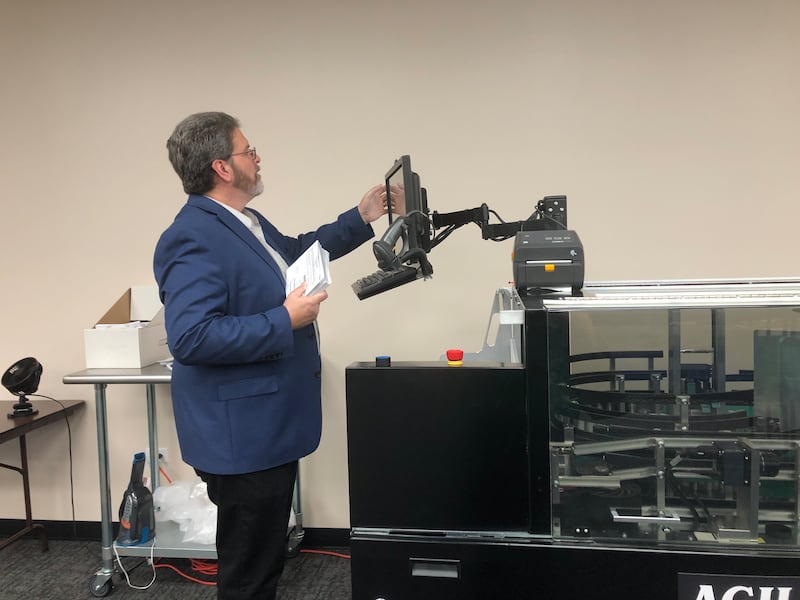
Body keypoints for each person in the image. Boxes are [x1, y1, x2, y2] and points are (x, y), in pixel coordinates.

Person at [153, 111, 387, 599]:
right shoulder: (193, 235)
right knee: (249, 570)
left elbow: (300, 254)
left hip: (264, 427)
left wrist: (360, 217)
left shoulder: (245, 222)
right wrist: (284, 319)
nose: (257, 158)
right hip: (241, 438)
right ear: (221, 167)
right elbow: (191, 337)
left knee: (260, 558)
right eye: (248, 150)